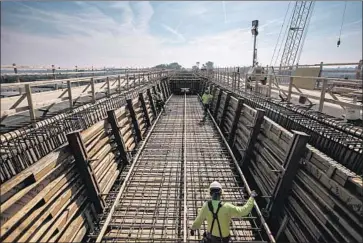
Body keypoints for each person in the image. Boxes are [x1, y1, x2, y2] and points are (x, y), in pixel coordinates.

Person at [190, 181, 258, 243]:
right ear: (221, 193)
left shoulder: (206, 206)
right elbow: (244, 211)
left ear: (210, 193)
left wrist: (193, 228)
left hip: (212, 237)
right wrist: (251, 198)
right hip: (225, 238)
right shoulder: (227, 207)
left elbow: (199, 219)